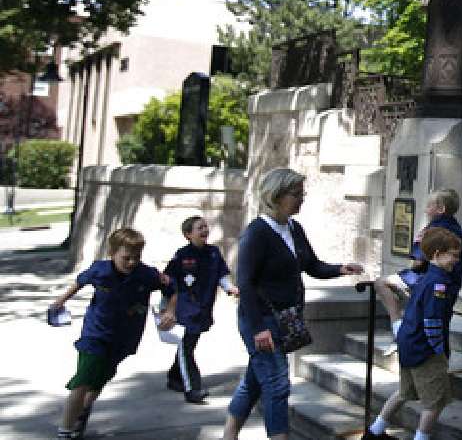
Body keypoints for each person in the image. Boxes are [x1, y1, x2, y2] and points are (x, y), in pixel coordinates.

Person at [222, 168, 364, 440]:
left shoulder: (293, 228)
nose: (302, 199)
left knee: (255, 381)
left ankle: (229, 434)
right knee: (277, 385)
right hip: (261, 320)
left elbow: (312, 265)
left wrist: (340, 269)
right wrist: (258, 329)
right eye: (296, 194)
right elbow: (246, 284)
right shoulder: (257, 233)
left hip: (285, 318)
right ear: (276, 196)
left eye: (302, 193)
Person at [49, 227, 171, 440]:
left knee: (100, 379)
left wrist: (170, 311)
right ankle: (65, 430)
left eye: (136, 257)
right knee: (83, 380)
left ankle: (82, 413)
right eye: (126, 258)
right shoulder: (100, 270)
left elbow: (171, 288)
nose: (132, 262)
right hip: (95, 335)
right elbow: (80, 282)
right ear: (112, 253)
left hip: (125, 338)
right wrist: (60, 301)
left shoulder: (146, 274)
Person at [362, 227, 462, 440]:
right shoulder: (438, 283)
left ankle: (374, 431)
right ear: (437, 254)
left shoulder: (424, 278)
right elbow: (432, 320)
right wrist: (439, 350)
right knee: (435, 403)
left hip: (409, 344)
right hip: (424, 350)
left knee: (404, 392)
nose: (456, 260)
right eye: (453, 255)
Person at [374, 189, 462, 356]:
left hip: (425, 282)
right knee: (441, 321)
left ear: (441, 209)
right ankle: (442, 357)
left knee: (381, 283)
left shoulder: (430, 232)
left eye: (429, 206)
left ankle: (398, 328)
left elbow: (418, 262)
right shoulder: (461, 234)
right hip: (450, 286)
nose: (425, 210)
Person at [162, 215, 239, 403]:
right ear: (188, 234)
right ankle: (192, 388)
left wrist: (229, 288)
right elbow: (168, 280)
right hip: (185, 309)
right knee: (186, 348)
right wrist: (167, 308)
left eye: (205, 227)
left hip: (203, 309)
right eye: (200, 228)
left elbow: (222, 274)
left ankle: (174, 377)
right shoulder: (182, 255)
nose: (205, 230)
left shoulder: (213, 253)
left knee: (188, 345)